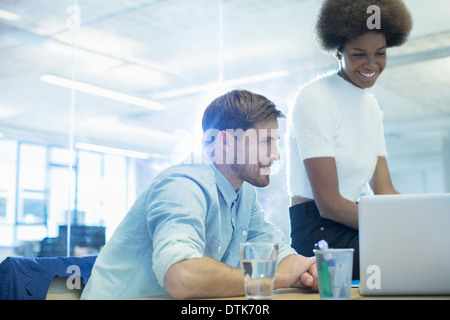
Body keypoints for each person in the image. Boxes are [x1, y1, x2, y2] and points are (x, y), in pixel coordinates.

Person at [81, 89, 318, 299]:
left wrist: (309, 268)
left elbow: (275, 251)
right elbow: (181, 277)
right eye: (266, 142)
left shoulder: (243, 193)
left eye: (275, 142)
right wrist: (272, 277)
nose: (276, 155)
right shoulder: (182, 186)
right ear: (226, 143)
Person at [286, 0, 412, 280]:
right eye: (358, 54)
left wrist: (420, 218)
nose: (371, 64)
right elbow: (329, 204)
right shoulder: (314, 97)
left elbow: (384, 190)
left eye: (380, 53)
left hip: (357, 222)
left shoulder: (371, 106)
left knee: (429, 248)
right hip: (318, 231)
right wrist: (396, 227)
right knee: (414, 258)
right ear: (337, 51)